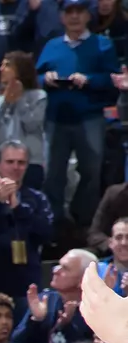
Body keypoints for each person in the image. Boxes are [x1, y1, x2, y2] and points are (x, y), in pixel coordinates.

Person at [36, 0, 117, 231]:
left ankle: (84, 222)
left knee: (91, 171)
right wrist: (47, 79)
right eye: (69, 12)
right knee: (53, 173)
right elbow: (36, 76)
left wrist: (89, 80)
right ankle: (55, 224)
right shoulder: (52, 45)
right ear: (62, 17)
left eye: (79, 12)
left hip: (89, 117)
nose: (74, 17)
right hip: (56, 118)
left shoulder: (102, 44)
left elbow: (112, 80)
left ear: (87, 16)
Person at [0, 141, 54, 303]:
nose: (16, 167)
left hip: (26, 281)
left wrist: (18, 208)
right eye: (10, 162)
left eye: (21, 163)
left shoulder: (37, 198)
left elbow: (46, 233)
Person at [12, 248, 98, 343]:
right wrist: (36, 320)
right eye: (58, 264)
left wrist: (69, 326)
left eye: (65, 268)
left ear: (82, 280)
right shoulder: (43, 300)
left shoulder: (96, 309)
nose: (55, 270)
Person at [0, 51, 48, 192]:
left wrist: (20, 100)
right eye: (1, 65)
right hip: (0, 164)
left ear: (20, 70)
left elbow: (32, 125)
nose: (1, 69)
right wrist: (5, 102)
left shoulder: (38, 96)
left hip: (30, 164)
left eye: (7, 65)